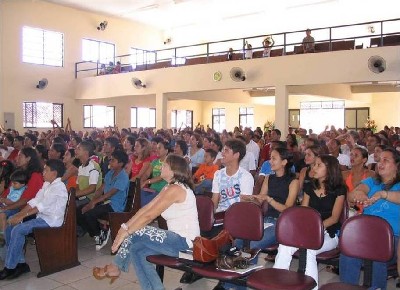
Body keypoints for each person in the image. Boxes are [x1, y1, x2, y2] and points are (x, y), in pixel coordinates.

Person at [92, 154, 200, 290]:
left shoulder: (177, 189)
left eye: (165, 165)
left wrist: (125, 231)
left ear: (173, 170)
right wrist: (124, 227)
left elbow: (149, 216)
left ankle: (115, 266)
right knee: (137, 250)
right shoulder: (168, 187)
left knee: (138, 231)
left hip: (185, 243)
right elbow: (146, 209)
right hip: (173, 240)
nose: (161, 166)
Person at [274, 155, 346, 289]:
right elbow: (304, 212)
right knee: (284, 246)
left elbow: (335, 218)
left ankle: (312, 287)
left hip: (328, 232)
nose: (314, 168)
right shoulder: (310, 187)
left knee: (309, 250)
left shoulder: (339, 189)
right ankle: (278, 283)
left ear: (330, 170)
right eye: (314, 165)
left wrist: (316, 229)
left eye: (319, 165)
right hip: (308, 230)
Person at [340, 147, 400, 290]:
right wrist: (358, 194)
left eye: (386, 160)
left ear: (397, 166)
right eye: (379, 160)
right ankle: (347, 287)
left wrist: (382, 194)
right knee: (349, 249)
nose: (380, 163)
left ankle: (376, 287)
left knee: (376, 248)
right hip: (366, 234)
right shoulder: (372, 181)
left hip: (392, 238)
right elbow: (353, 194)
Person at [0, 159, 68, 280]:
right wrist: (19, 214)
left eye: (46, 170)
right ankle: (20, 264)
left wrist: (20, 216)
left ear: (54, 173)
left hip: (51, 222)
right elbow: (34, 201)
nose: (43, 172)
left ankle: (9, 267)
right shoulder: (47, 184)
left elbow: (40, 207)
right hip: (42, 218)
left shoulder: (59, 187)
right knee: (10, 227)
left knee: (18, 229)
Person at [240, 147, 299, 262]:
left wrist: (269, 199)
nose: (269, 161)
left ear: (284, 162)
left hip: (283, 223)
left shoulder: (293, 181)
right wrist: (250, 199)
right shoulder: (269, 178)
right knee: (239, 241)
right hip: (267, 219)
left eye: (273, 158)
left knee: (252, 244)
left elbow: (287, 209)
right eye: (270, 158)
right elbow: (260, 200)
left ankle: (244, 272)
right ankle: (242, 272)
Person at [81, 150, 129, 250]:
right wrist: (92, 202)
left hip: (115, 206)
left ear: (120, 163)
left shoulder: (123, 177)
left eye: (113, 160)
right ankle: (101, 230)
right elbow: (100, 189)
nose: (110, 162)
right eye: (110, 160)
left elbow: (110, 193)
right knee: (80, 210)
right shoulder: (110, 173)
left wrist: (94, 202)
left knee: (90, 213)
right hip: (106, 202)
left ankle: (99, 233)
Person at [212, 139, 254, 213]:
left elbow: (244, 206)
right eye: (223, 150)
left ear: (236, 155)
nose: (222, 154)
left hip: (236, 217)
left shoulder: (246, 177)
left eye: (226, 151)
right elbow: (214, 201)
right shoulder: (218, 174)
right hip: (220, 215)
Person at [342, 147, 375, 214]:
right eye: (351, 154)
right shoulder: (343, 174)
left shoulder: (371, 174)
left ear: (364, 160)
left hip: (367, 210)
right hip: (348, 211)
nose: (352, 157)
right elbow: (341, 194)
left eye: (356, 155)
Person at [0, 170, 27, 243]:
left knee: (2, 214)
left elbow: (12, 201)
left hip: (14, 208)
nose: (12, 184)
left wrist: (3, 200)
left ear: (23, 184)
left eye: (15, 183)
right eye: (12, 182)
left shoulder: (20, 191)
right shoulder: (14, 187)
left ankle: (3, 233)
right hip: (6, 204)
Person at [141, 140, 169, 207]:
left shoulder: (169, 162)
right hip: (152, 189)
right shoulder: (155, 161)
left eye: (159, 148)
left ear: (166, 150)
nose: (157, 150)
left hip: (162, 191)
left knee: (144, 203)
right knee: (137, 197)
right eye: (156, 148)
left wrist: (147, 182)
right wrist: (141, 180)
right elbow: (147, 174)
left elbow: (161, 177)